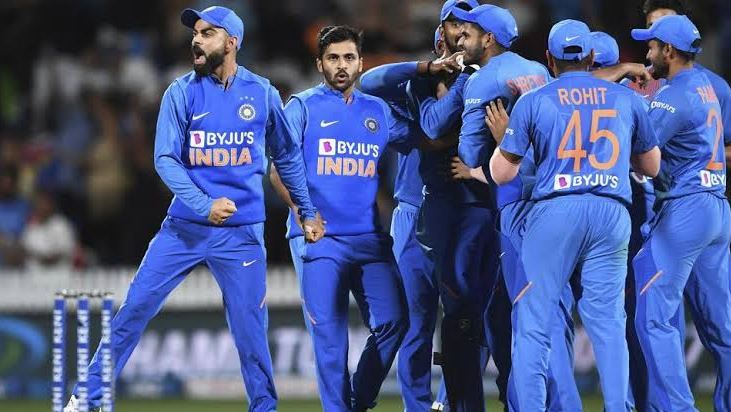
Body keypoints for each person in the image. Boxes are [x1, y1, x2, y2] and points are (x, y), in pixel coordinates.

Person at [64, 6, 323, 412]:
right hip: (183, 228)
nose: (196, 40)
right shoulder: (180, 92)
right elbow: (165, 160)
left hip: (241, 235)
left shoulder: (262, 94)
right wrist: (204, 204)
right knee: (134, 309)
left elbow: (287, 156)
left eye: (207, 33)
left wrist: (305, 209)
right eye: (195, 33)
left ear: (231, 42)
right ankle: (86, 400)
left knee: (251, 332)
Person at [491, 19, 660, 411]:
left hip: (555, 210)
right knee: (609, 324)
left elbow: (502, 174)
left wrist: (507, 142)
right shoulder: (627, 99)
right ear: (590, 56)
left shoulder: (534, 100)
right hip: (612, 212)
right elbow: (651, 166)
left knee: (534, 323)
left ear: (549, 59)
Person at [271, 25, 414, 412]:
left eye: (349, 57)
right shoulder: (301, 107)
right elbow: (278, 169)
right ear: (319, 64)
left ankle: (358, 399)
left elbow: (424, 139)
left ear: (360, 63)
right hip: (318, 238)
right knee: (330, 340)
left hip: (368, 239)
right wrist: (303, 213)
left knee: (395, 321)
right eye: (332, 58)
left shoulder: (377, 111)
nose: (341, 65)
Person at [359, 26, 464, 412]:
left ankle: (448, 403)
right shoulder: (413, 85)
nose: (456, 44)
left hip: (463, 211)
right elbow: (370, 81)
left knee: (463, 319)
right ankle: (416, 407)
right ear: (438, 44)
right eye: (450, 37)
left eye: (464, 36)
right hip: (412, 211)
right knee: (415, 322)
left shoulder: (482, 85)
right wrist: (424, 68)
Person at [631, 15, 731, 411]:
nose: (648, 53)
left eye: (652, 46)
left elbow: (642, 151)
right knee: (721, 325)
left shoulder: (673, 95)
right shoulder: (707, 84)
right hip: (716, 208)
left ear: (669, 51)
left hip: (685, 210)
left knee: (653, 317)